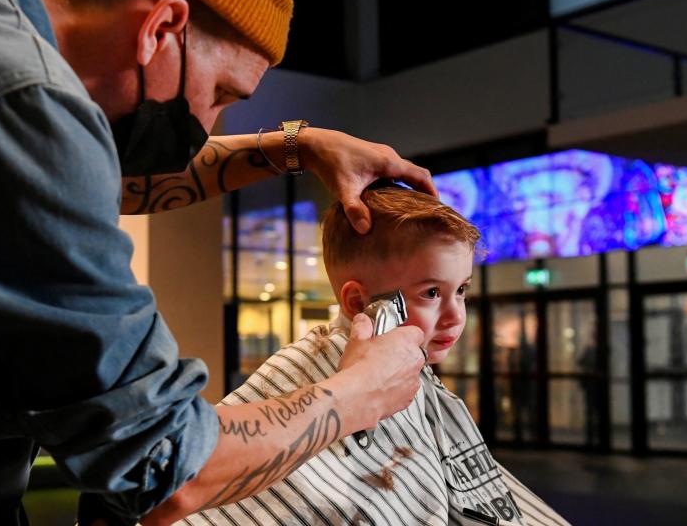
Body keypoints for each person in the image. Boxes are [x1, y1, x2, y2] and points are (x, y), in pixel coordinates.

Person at [0, 0, 437, 524]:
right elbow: (167, 465)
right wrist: (358, 391)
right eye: (219, 93)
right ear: (161, 27)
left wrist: (294, 148)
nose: (208, 126)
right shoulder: (9, 99)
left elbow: (82, 183)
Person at [178, 185, 570, 525]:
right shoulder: (312, 364)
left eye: (462, 290)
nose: (455, 314)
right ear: (357, 301)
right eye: (431, 293)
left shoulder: (420, 380)